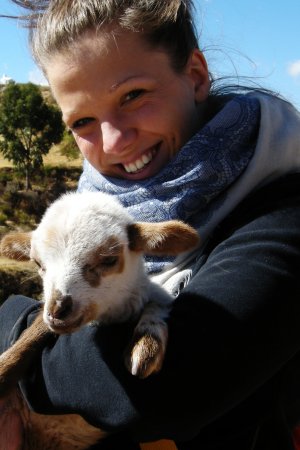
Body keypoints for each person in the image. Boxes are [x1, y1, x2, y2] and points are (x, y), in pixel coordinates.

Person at [0, 1, 300, 449]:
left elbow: (171, 387)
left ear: (196, 76)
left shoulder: (283, 212)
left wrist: (13, 325)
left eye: (133, 95)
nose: (115, 142)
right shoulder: (87, 212)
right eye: (83, 121)